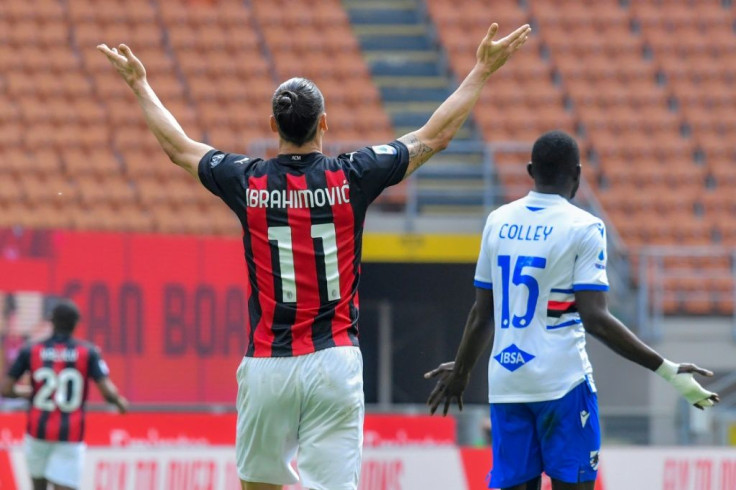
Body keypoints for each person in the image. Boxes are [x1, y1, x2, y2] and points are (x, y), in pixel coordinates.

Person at [97, 20, 530, 490]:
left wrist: (141, 85)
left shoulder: (249, 180)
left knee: (258, 485)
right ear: (324, 122)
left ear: (273, 127)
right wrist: (481, 71)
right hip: (334, 361)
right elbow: (434, 135)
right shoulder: (353, 176)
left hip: (267, 364)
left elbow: (178, 148)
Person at [424, 130, 721, 490]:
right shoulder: (585, 227)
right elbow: (596, 318)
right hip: (561, 384)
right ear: (578, 175)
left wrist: (463, 371)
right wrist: (666, 369)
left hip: (508, 383)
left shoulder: (498, 221)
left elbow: (481, 314)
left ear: (531, 170)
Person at [0, 300, 128, 490]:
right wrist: (120, 402)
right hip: (70, 435)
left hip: (37, 433)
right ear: (76, 324)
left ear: (51, 321)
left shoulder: (31, 350)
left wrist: (31, 393)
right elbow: (108, 392)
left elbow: (6, 389)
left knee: (38, 487)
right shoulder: (87, 352)